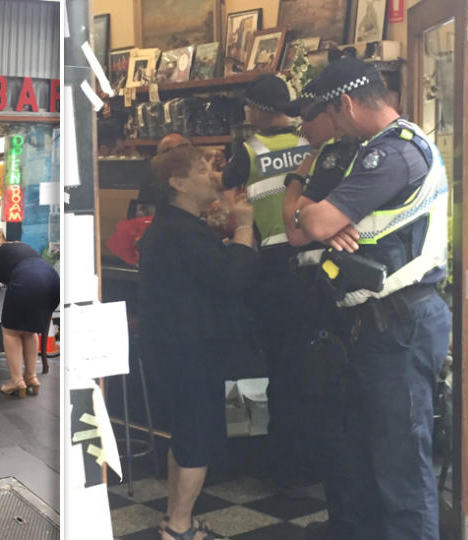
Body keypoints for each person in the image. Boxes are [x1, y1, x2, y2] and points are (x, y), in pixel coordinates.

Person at [289, 57, 450, 539]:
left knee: (402, 466)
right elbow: (315, 224)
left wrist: (313, 218)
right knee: (365, 457)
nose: (330, 129)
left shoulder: (393, 154)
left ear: (346, 103)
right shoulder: (371, 149)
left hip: (400, 324)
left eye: (332, 116)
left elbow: (314, 223)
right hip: (376, 325)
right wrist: (316, 219)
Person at [138, 144, 258, 540]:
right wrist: (243, 228)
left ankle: (176, 517)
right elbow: (230, 281)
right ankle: (178, 527)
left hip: (174, 347)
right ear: (177, 182)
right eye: (203, 169)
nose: (212, 175)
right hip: (190, 350)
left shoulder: (176, 227)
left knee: (185, 435)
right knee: (198, 435)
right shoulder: (180, 231)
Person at [221, 73, 314, 495]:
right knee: (309, 368)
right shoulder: (310, 145)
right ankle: (310, 459)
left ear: (258, 108)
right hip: (314, 264)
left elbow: (225, 196)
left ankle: (279, 464)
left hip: (271, 268)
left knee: (272, 369)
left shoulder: (246, 152)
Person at [280, 78, 363, 539]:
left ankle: (346, 522)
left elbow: (296, 228)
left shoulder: (330, 156)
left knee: (336, 415)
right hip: (341, 298)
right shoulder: (357, 151)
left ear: (334, 112)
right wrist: (315, 221)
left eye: (307, 117)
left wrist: (297, 186)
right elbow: (307, 227)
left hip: (337, 301)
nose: (300, 127)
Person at [0, 232, 59, 398]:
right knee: (30, 331)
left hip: (26, 283)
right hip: (53, 281)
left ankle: (16, 381)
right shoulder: (21, 246)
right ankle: (31, 377)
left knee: (11, 332)